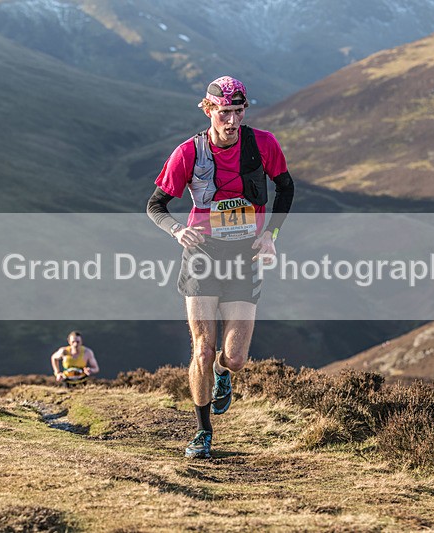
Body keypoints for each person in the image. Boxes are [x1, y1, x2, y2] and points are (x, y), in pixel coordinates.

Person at [147, 76, 294, 459]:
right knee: (203, 349)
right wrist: (177, 230)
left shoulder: (263, 144)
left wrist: (271, 235)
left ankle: (224, 375)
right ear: (208, 109)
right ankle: (202, 432)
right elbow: (156, 205)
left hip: (245, 255)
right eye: (223, 112)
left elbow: (286, 187)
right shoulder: (188, 153)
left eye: (237, 112)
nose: (231, 121)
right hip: (202, 254)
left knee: (234, 358)